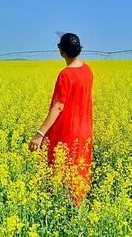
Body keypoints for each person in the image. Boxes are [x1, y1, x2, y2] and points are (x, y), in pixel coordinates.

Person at [28, 32, 94, 207]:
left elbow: (58, 107)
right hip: (85, 129)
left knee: (58, 169)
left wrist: (40, 133)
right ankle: (77, 211)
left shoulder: (65, 75)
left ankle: (58, 208)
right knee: (78, 170)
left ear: (62, 51)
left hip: (66, 130)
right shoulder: (88, 70)